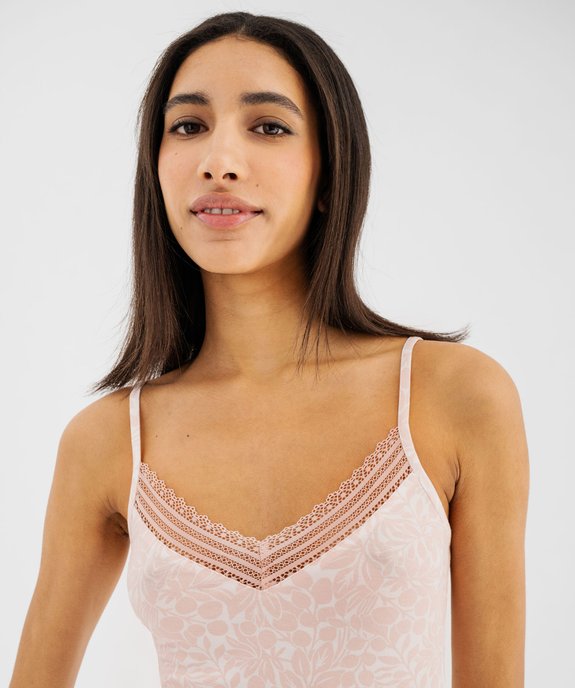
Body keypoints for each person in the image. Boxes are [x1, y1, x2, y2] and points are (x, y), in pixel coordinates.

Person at [9, 11, 529, 688]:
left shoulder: (454, 396)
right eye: (187, 126)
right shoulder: (108, 441)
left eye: (269, 127)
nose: (218, 161)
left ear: (329, 172)